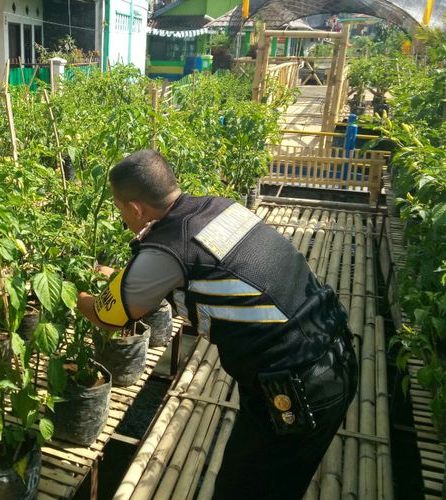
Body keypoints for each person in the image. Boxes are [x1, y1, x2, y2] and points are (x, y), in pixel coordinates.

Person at [76, 150, 357, 499]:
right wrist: (121, 278)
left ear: (135, 208)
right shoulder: (219, 208)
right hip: (334, 353)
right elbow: (198, 269)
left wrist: (73, 292)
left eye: (120, 208)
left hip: (297, 391)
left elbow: (109, 316)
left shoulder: (166, 249)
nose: (122, 216)